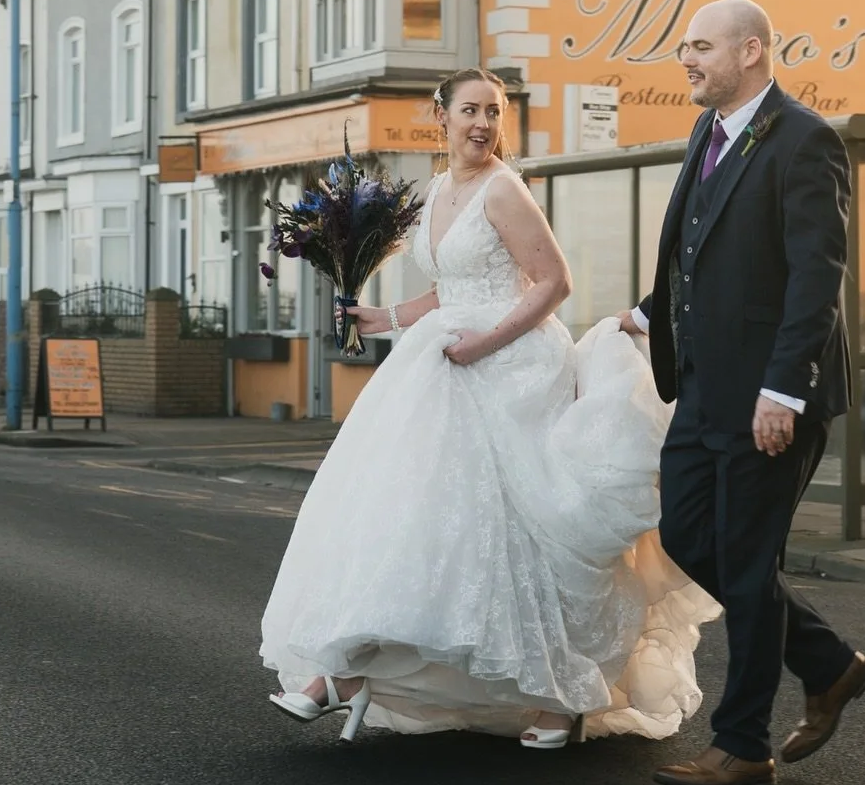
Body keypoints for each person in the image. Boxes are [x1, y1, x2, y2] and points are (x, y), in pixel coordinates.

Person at [261, 68, 716, 749]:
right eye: (470, 110)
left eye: (493, 112)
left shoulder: (504, 187)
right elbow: (452, 287)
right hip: (444, 362)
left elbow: (553, 282)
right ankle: (348, 669)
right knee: (413, 518)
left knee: (527, 530)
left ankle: (561, 695)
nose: (482, 124)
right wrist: (383, 315)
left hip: (513, 368)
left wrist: (486, 343)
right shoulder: (443, 188)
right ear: (438, 115)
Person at [620, 0, 865, 785]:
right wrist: (645, 315)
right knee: (692, 540)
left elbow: (814, 278)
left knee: (747, 557)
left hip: (769, 399)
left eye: (700, 47)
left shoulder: (806, 141)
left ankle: (741, 746)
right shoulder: (709, 131)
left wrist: (783, 391)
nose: (686, 61)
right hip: (701, 391)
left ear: (751, 52)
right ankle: (828, 663)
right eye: (685, 49)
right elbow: (697, 254)